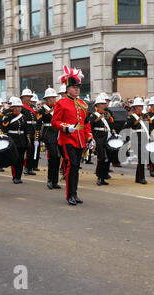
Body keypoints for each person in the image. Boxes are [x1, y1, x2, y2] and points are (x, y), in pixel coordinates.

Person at [52, 66, 94, 205]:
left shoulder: (83, 104)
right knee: (72, 164)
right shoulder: (61, 103)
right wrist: (65, 127)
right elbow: (55, 122)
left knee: (76, 167)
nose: (77, 89)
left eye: (78, 87)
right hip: (67, 139)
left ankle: (74, 194)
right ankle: (70, 195)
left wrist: (89, 137)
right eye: (74, 87)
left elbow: (86, 123)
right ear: (68, 88)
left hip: (80, 139)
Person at [37, 87, 61, 189]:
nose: (53, 99)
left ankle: (55, 181)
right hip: (49, 133)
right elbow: (38, 124)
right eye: (51, 97)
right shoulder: (42, 110)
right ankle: (50, 180)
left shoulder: (58, 108)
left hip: (58, 133)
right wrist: (38, 137)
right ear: (47, 99)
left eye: (54, 97)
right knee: (53, 156)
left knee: (58, 157)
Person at [90, 94, 114, 186]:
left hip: (106, 137)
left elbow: (111, 125)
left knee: (107, 158)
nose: (104, 105)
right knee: (101, 157)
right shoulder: (93, 115)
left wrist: (113, 132)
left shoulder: (107, 114)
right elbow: (91, 127)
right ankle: (99, 177)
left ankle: (103, 176)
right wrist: (93, 139)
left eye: (104, 103)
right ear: (97, 105)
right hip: (98, 137)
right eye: (102, 103)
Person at [2, 97, 27, 184]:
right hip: (13, 139)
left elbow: (26, 130)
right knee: (15, 159)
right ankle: (15, 176)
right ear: (13, 107)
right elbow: (4, 128)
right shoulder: (9, 116)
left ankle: (19, 176)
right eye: (16, 106)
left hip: (22, 140)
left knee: (21, 159)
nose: (18, 108)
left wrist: (27, 142)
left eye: (20, 106)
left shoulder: (23, 117)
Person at [123, 97, 148, 184]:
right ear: (135, 107)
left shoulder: (145, 116)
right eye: (139, 106)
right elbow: (126, 128)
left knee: (143, 158)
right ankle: (141, 178)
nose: (141, 107)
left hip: (144, 137)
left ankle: (139, 177)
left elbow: (149, 127)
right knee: (141, 157)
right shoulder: (131, 117)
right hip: (136, 137)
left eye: (142, 106)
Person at [20, 88, 39, 176]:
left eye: (29, 96)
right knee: (26, 149)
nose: (28, 98)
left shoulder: (32, 107)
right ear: (23, 97)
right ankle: (24, 167)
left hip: (33, 129)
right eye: (27, 96)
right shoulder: (21, 107)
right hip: (26, 130)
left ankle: (29, 167)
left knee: (31, 150)